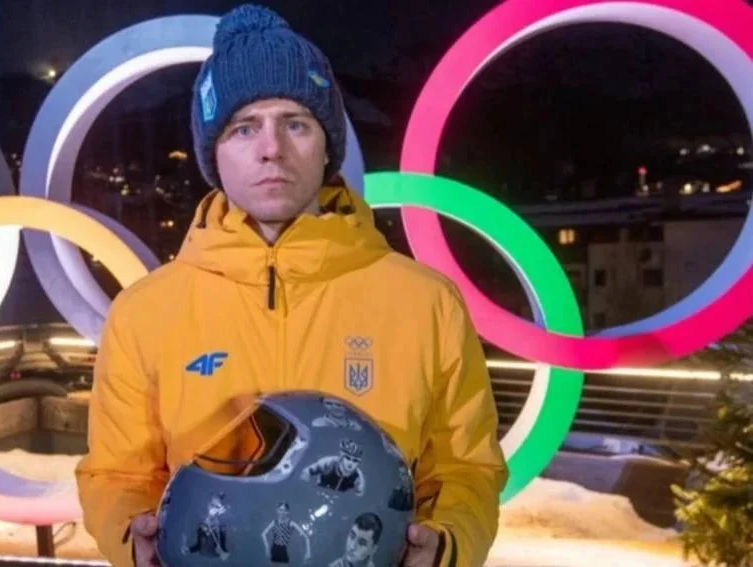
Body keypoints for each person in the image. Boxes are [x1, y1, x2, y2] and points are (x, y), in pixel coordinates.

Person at [74, 4, 509, 567]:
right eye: (244, 127)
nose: (271, 148)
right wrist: (133, 538)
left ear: (327, 146)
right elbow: (116, 474)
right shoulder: (144, 312)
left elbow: (468, 469)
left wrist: (446, 543)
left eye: (296, 123)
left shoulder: (427, 303)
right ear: (214, 153)